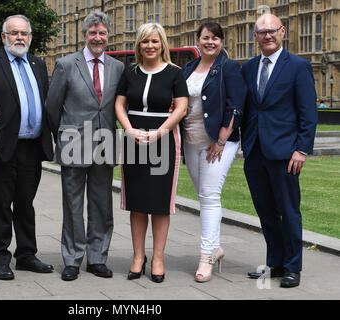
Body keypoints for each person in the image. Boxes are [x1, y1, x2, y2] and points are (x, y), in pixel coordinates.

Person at [45, 11, 124, 281]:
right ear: (84, 36)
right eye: (93, 33)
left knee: (102, 205)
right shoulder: (66, 64)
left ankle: (98, 258)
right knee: (73, 205)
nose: (98, 37)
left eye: (102, 33)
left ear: (108, 36)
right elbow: (52, 107)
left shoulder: (117, 67)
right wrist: (65, 135)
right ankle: (72, 259)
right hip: (73, 145)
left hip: (105, 145)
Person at [241, 14, 317, 288]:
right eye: (262, 32)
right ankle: (274, 263)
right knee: (265, 211)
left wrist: (302, 150)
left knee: (288, 210)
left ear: (282, 32)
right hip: (255, 150)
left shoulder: (298, 66)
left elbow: (308, 113)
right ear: (255, 36)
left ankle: (293, 266)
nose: (268, 36)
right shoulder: (248, 68)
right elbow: (242, 107)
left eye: (272, 31)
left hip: (285, 152)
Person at [115, 23, 188, 283]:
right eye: (145, 41)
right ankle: (138, 257)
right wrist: (130, 130)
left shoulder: (175, 74)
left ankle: (157, 258)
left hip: (164, 140)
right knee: (137, 203)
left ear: (162, 44)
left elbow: (180, 108)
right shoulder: (129, 72)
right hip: (134, 140)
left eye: (155, 41)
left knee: (159, 204)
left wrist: (159, 132)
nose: (150, 46)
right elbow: (120, 105)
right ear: (139, 44)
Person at [0, 15, 54, 281]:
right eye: (14, 33)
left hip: (32, 148)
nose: (19, 37)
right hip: (2, 147)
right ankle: (1, 258)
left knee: (26, 203)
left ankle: (26, 255)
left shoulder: (37, 63)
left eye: (24, 33)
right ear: (4, 37)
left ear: (31, 37)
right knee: (1, 205)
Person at [181, 22, 246, 282]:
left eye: (216, 38)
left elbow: (236, 106)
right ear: (197, 40)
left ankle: (206, 256)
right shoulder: (188, 68)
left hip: (217, 143)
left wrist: (220, 141)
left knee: (209, 195)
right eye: (206, 37)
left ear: (221, 42)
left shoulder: (228, 68)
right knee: (203, 196)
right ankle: (216, 248)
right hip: (191, 141)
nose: (211, 42)